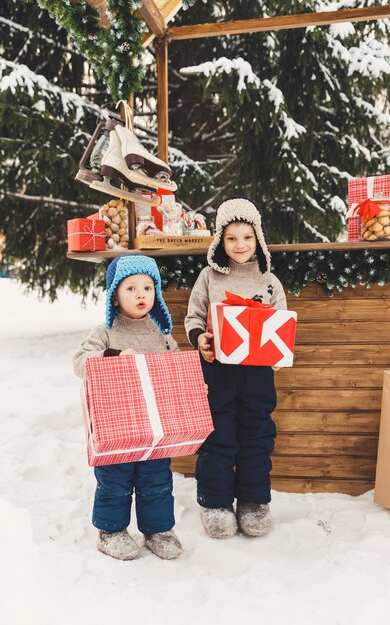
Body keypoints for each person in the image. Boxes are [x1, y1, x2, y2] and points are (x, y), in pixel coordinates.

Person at [184, 197, 287, 540]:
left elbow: (281, 323)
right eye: (231, 238)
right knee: (218, 434)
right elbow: (194, 317)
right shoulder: (208, 276)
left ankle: (254, 501)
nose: (240, 245)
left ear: (257, 237)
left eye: (247, 236)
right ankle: (214, 502)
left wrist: (276, 344)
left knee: (257, 435)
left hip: (257, 374)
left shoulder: (269, 281)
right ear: (219, 240)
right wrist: (199, 338)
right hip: (218, 371)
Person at [73, 255, 183, 561]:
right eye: (131, 288)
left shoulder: (161, 335)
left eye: (148, 287)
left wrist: (191, 388)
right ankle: (111, 531)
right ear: (115, 296)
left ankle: (158, 530)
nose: (140, 294)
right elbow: (80, 362)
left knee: (157, 478)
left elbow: (175, 369)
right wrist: (113, 357)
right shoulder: (104, 332)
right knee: (115, 478)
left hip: (154, 425)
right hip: (116, 422)